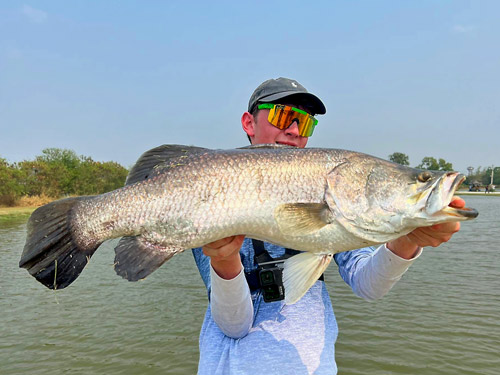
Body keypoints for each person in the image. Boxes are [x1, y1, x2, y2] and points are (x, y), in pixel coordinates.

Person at [192, 77, 465, 374]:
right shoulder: (210, 192)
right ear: (249, 123)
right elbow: (234, 326)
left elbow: (368, 285)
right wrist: (224, 258)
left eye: (305, 123)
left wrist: (410, 238)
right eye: (282, 115)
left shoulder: (338, 197)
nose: (294, 130)